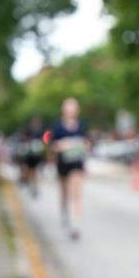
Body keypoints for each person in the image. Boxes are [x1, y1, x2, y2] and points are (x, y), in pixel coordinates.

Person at [49, 98, 89, 240]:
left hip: (77, 163)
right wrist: (63, 145)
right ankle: (65, 212)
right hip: (63, 163)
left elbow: (87, 143)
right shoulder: (58, 126)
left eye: (73, 107)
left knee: (75, 194)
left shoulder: (82, 125)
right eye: (68, 107)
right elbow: (52, 145)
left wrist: (82, 145)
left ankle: (75, 225)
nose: (71, 110)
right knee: (65, 192)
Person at [16, 117, 46, 197]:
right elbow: (23, 139)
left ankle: (34, 187)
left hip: (36, 155)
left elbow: (44, 140)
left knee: (35, 171)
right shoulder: (28, 130)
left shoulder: (40, 131)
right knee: (28, 170)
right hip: (29, 154)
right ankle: (27, 183)